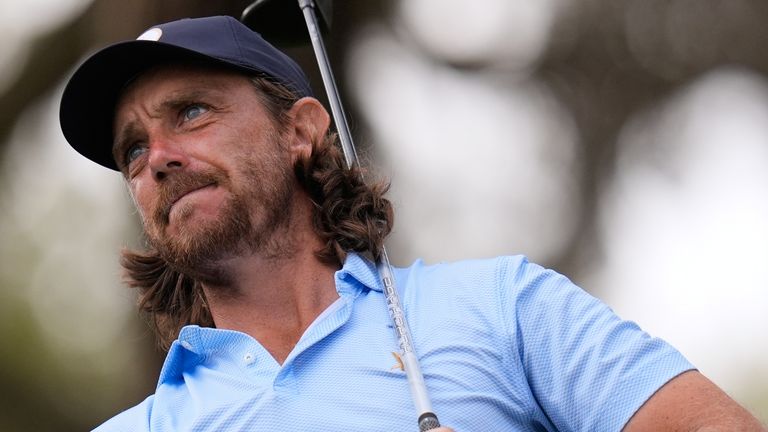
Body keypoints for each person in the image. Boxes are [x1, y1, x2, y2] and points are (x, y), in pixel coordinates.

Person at [59, 15, 764, 432]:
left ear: (300, 130)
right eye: (132, 151)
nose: (159, 159)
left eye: (191, 112)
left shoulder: (504, 308)